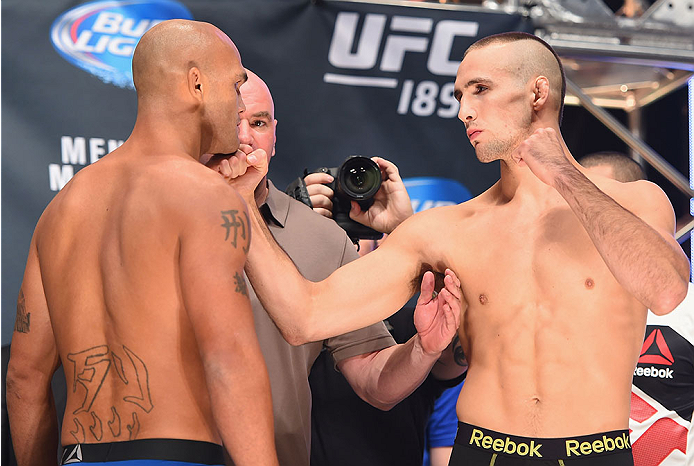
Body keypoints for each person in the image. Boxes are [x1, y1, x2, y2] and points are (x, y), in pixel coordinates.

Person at [231, 31, 690, 466]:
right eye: (458, 96)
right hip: (483, 451)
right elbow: (304, 317)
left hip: (596, 452)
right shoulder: (445, 230)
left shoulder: (636, 201)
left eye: (480, 90)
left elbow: (666, 289)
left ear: (537, 94)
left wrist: (564, 175)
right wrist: (244, 204)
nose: (463, 111)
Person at [6, 20, 280, 466]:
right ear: (196, 84)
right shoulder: (204, 194)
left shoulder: (62, 208)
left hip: (78, 455)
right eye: (234, 86)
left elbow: (24, 377)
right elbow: (227, 358)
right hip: (174, 455)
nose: (236, 105)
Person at [203, 70, 465, 466]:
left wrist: (423, 349)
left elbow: (375, 381)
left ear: (274, 135)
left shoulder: (322, 238)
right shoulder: (153, 216)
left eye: (257, 122)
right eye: (230, 120)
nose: (243, 136)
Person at [579, 151, 694, 466]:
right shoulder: (547, 304)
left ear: (638, 209)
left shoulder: (688, 309)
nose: (585, 212)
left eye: (599, 200)